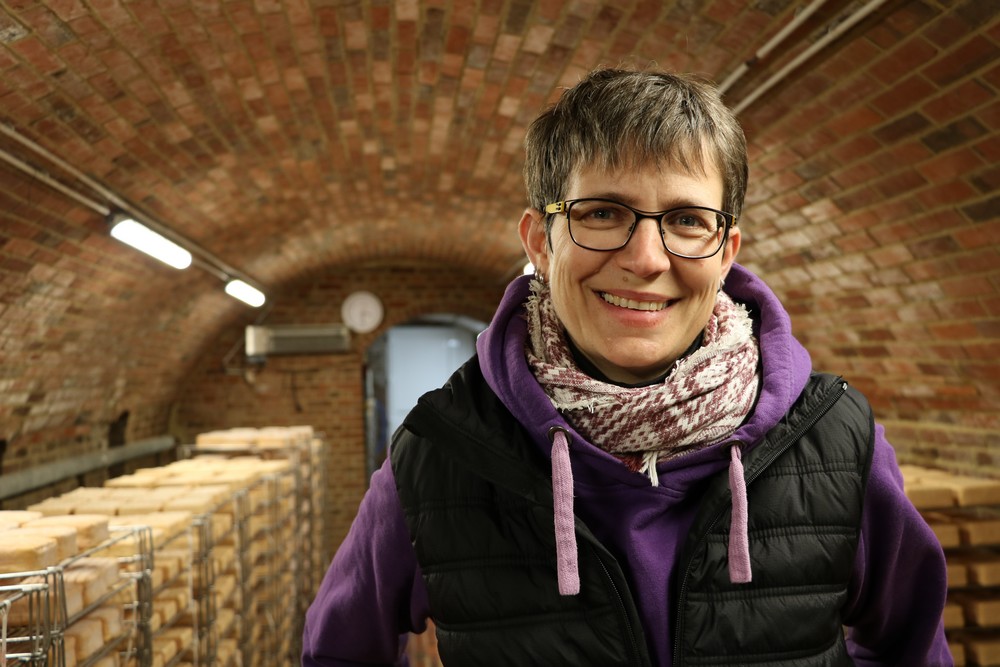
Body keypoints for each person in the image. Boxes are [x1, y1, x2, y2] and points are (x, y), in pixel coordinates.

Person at [302, 67, 952, 666]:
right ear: (539, 241)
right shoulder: (440, 452)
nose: (646, 258)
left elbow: (912, 648)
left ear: (726, 251)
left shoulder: (835, 439)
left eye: (687, 220)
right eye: (602, 213)